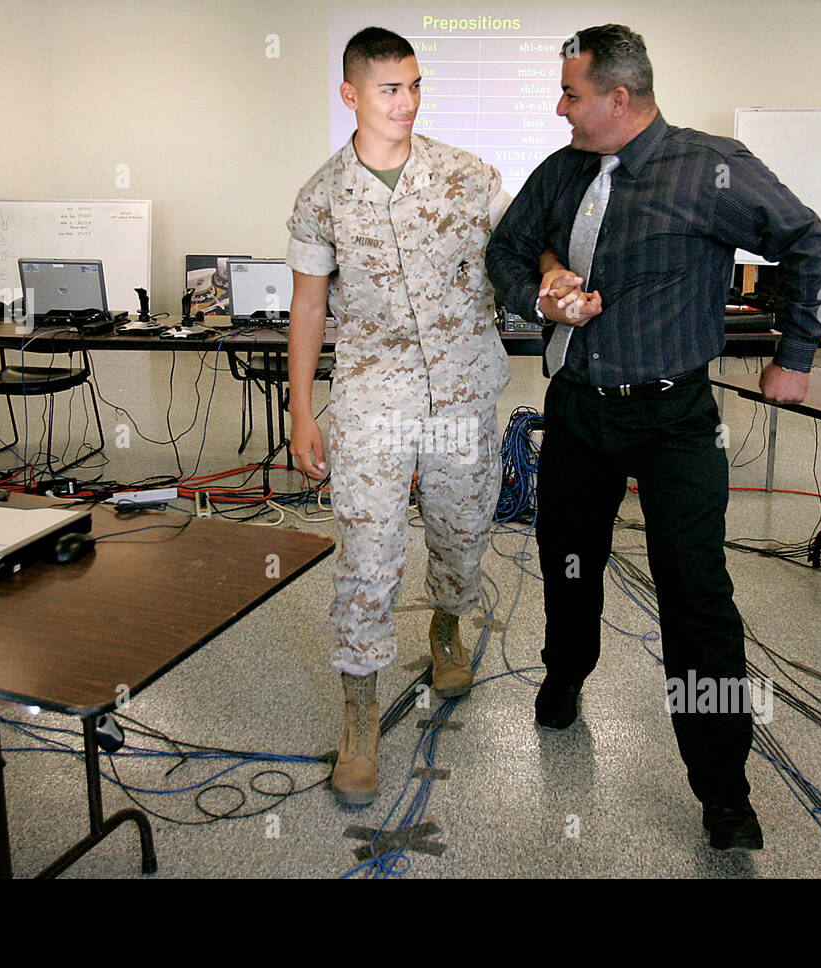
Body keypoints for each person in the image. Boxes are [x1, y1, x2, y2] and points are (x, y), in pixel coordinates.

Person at [486, 23, 821, 850]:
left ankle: (723, 793)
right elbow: (505, 247)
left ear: (619, 96)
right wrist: (544, 288)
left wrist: (797, 354)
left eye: (571, 93)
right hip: (576, 410)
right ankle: (564, 676)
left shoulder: (709, 167)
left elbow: (806, 243)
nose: (559, 107)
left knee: (697, 599)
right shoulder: (565, 169)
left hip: (674, 418)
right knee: (567, 563)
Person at [286, 27, 511, 804]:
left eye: (415, 85)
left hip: (461, 392)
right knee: (369, 550)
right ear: (350, 94)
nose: (407, 101)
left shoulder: (467, 176)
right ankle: (359, 713)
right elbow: (309, 304)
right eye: (390, 88)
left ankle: (447, 624)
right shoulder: (323, 196)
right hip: (374, 399)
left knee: (460, 530)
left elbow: (520, 257)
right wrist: (301, 408)